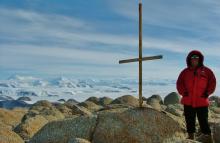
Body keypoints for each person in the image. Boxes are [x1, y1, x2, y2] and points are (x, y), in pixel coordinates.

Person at [176, 50, 216, 142]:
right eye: (192, 58)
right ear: (189, 59)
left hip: (202, 101)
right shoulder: (184, 72)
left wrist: (207, 93)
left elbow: (212, 83)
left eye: (196, 58)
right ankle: (191, 138)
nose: (194, 59)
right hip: (188, 101)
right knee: (189, 120)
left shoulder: (207, 71)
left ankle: (208, 138)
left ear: (200, 59)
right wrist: (183, 92)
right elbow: (179, 83)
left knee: (203, 121)